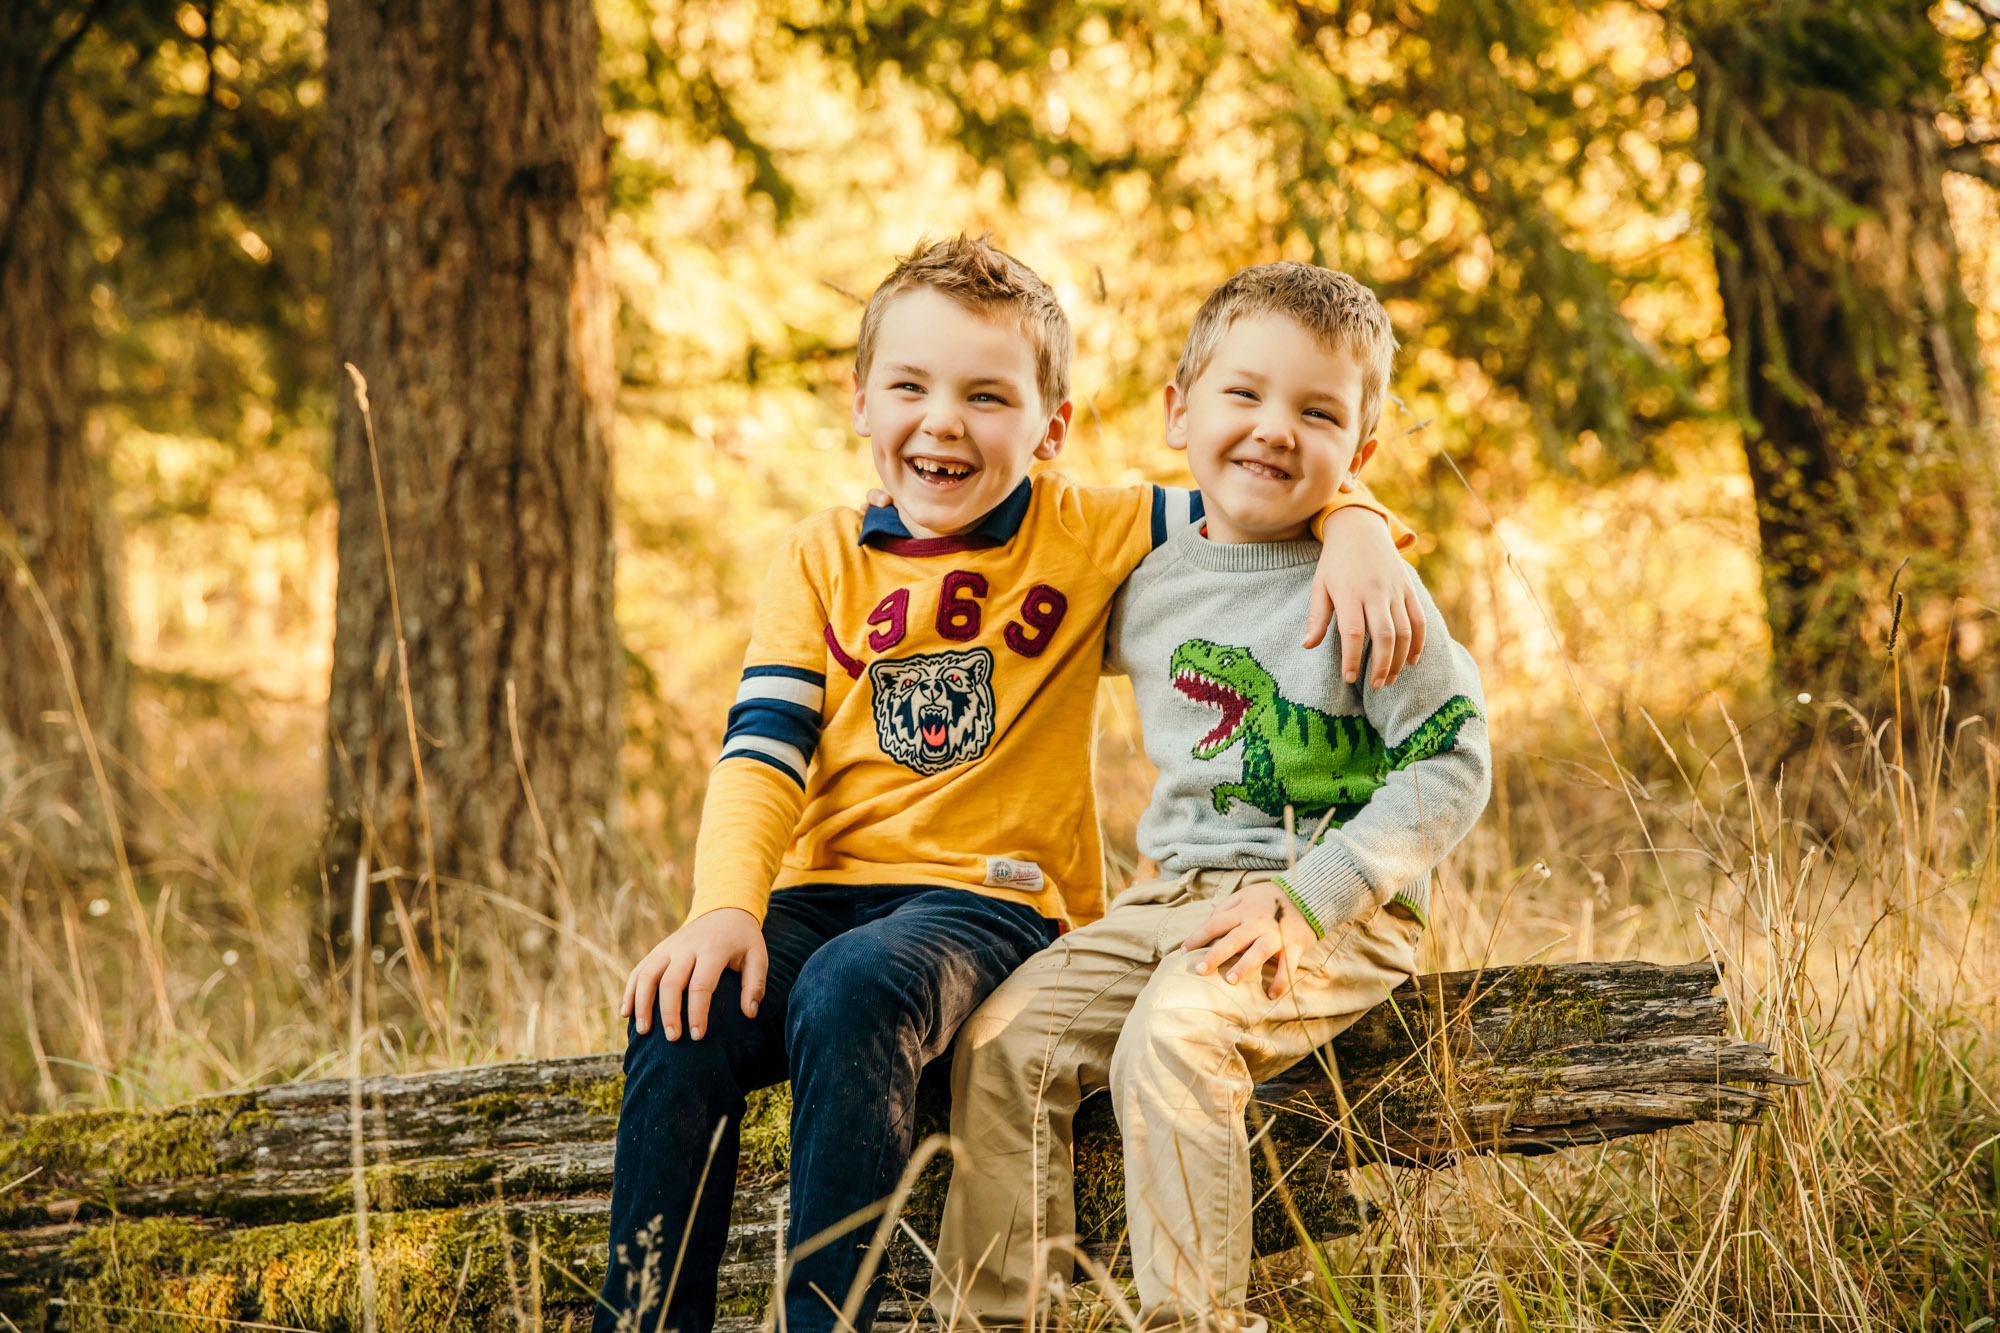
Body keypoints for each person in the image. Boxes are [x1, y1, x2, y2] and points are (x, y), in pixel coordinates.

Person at [591, 237, 1424, 1333]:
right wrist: (722, 911)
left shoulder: (1089, 528)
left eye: (987, 396)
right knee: (680, 1018)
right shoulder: (817, 555)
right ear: (858, 401)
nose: (943, 420)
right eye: (910, 386)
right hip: (824, 887)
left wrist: (1362, 520)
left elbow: (1255, 498)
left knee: (852, 989)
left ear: (1051, 426)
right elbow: (763, 748)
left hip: (991, 903)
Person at [931, 262, 1493, 1333]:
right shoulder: (1141, 576)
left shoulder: (1369, 583)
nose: (1273, 430)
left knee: (1175, 1035)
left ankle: (1192, 1321)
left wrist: (1310, 894)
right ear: (1178, 411)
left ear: (1357, 454)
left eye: (1316, 411)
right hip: (1166, 896)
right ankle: (994, 1317)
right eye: (1243, 395)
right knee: (1003, 1044)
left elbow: (1450, 760)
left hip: (1324, 903)